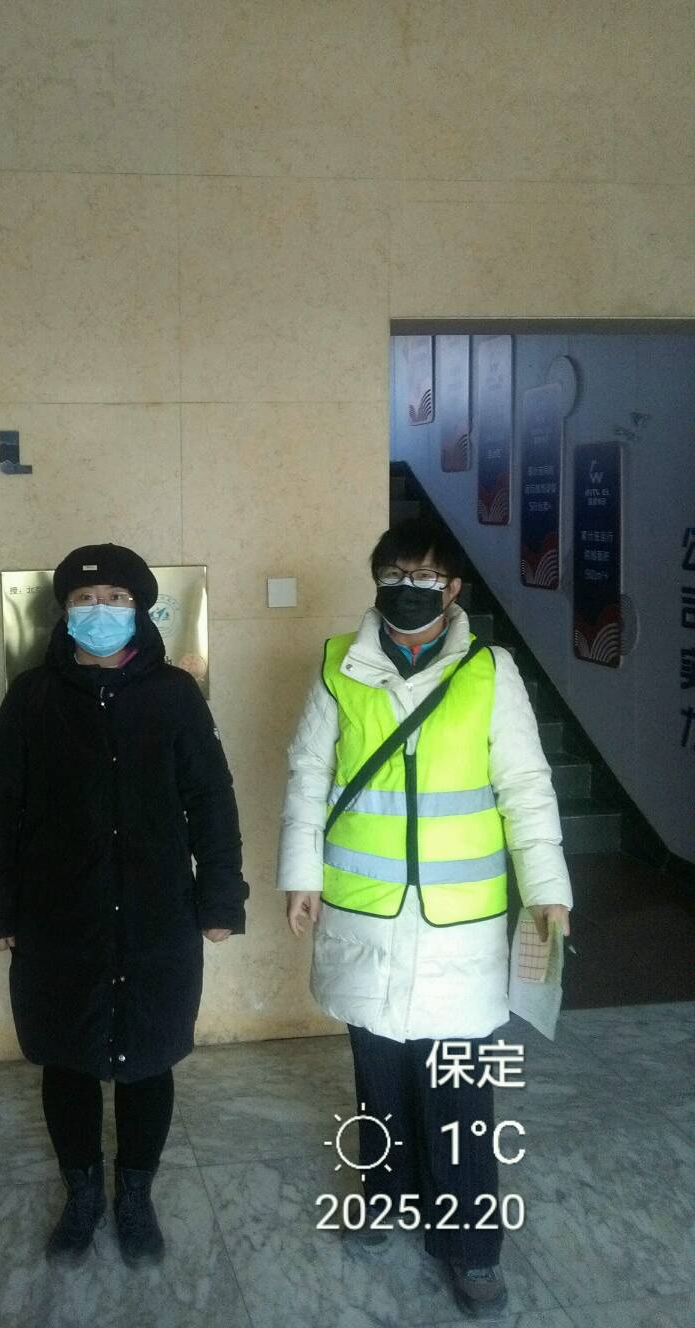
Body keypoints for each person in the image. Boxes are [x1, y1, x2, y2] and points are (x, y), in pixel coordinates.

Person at [277, 519, 572, 1320]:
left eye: (426, 576)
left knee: (458, 1092)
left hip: (457, 926)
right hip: (364, 915)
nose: (409, 588)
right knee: (379, 1079)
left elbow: (526, 786)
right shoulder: (339, 664)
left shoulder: (490, 671)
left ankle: (472, 1246)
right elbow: (309, 775)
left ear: (453, 589)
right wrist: (301, 875)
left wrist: (547, 887)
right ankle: (386, 1196)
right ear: (377, 581)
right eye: (395, 574)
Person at [0, 543, 248, 1266]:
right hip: (56, 914)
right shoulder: (33, 696)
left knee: (149, 1058)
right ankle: (83, 1192)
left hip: (159, 913)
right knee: (66, 1059)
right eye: (86, 600)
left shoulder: (176, 694)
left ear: (141, 609)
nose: (101, 611)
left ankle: (134, 1193)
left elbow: (211, 799)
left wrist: (221, 895)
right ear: (64, 612)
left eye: (117, 599)